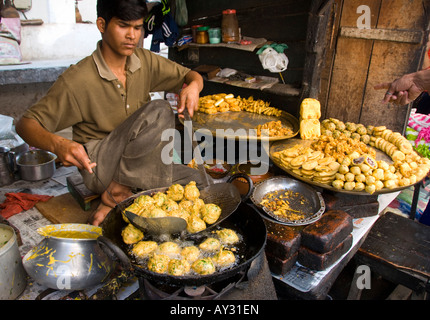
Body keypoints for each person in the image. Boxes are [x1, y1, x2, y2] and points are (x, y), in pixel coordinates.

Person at [15, 0, 204, 226]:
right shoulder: (78, 79)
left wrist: (193, 87)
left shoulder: (144, 61)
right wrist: (58, 145)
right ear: (102, 25)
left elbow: (191, 76)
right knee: (160, 109)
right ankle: (115, 195)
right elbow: (25, 124)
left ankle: (136, 191)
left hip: (140, 160)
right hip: (101, 166)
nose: (132, 36)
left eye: (137, 27)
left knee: (199, 182)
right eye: (123, 26)